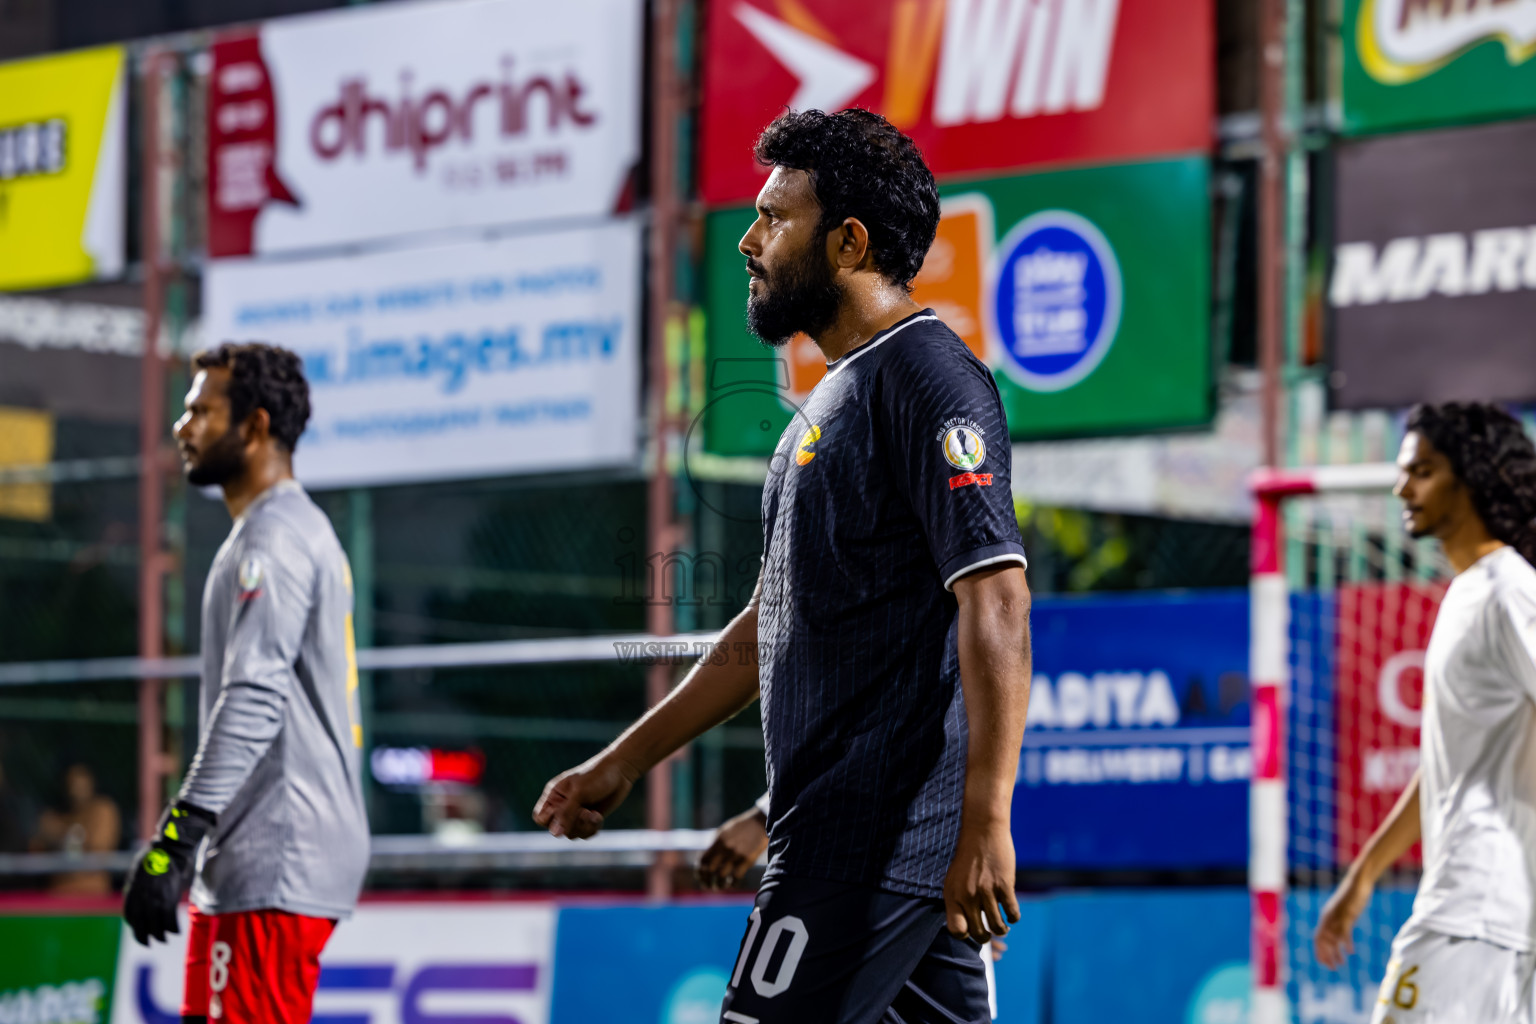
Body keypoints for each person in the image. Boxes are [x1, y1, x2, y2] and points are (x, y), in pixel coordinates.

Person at [536, 108, 1032, 1024]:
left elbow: (997, 597)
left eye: (774, 219)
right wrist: (626, 760)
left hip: (870, 841)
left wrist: (987, 819)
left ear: (848, 242)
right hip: (844, 832)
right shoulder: (831, 397)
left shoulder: (931, 378)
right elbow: (774, 619)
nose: (750, 242)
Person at [121, 343, 369, 1024]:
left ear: (255, 427)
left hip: (274, 855)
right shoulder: (278, 530)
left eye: (202, 410)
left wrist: (176, 838)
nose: (183, 425)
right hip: (251, 861)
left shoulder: (274, 541)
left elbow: (254, 696)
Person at [1314, 402, 1536, 1023]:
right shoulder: (1470, 592)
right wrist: (1362, 878)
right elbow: (1448, 767)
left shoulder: (1507, 591)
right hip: (1490, 913)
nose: (1400, 487)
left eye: (1423, 471)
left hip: (1474, 910)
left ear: (1470, 475)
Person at [30, 762, 119, 895]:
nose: (75, 790)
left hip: (93, 895)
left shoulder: (103, 810)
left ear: (91, 783)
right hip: (57, 896)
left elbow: (98, 850)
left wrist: (62, 836)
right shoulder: (54, 816)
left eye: (81, 783)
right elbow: (35, 854)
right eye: (71, 783)